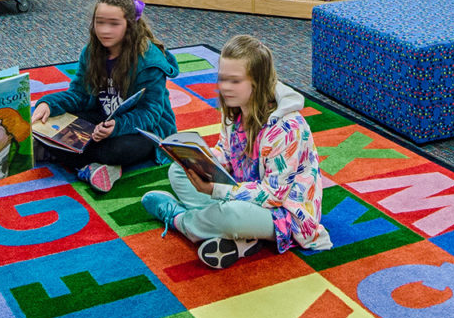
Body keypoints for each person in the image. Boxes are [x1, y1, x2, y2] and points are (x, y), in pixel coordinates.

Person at [141, 34, 331, 269]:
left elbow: (273, 195)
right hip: (242, 192)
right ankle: (236, 237)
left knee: (230, 214)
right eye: (222, 79)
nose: (225, 88)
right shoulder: (235, 108)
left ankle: (180, 220)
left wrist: (218, 190)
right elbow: (226, 153)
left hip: (283, 214)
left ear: (257, 83)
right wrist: (199, 160)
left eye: (235, 81)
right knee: (178, 171)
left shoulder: (286, 128)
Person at [30, 0, 177, 191]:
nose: (105, 31)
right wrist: (49, 103)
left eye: (114, 24)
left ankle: (66, 156)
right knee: (45, 123)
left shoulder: (149, 61)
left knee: (115, 149)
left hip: (143, 129)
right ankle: (93, 165)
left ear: (130, 25)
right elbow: (80, 94)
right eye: (100, 22)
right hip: (102, 118)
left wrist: (117, 127)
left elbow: (150, 114)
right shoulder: (91, 52)